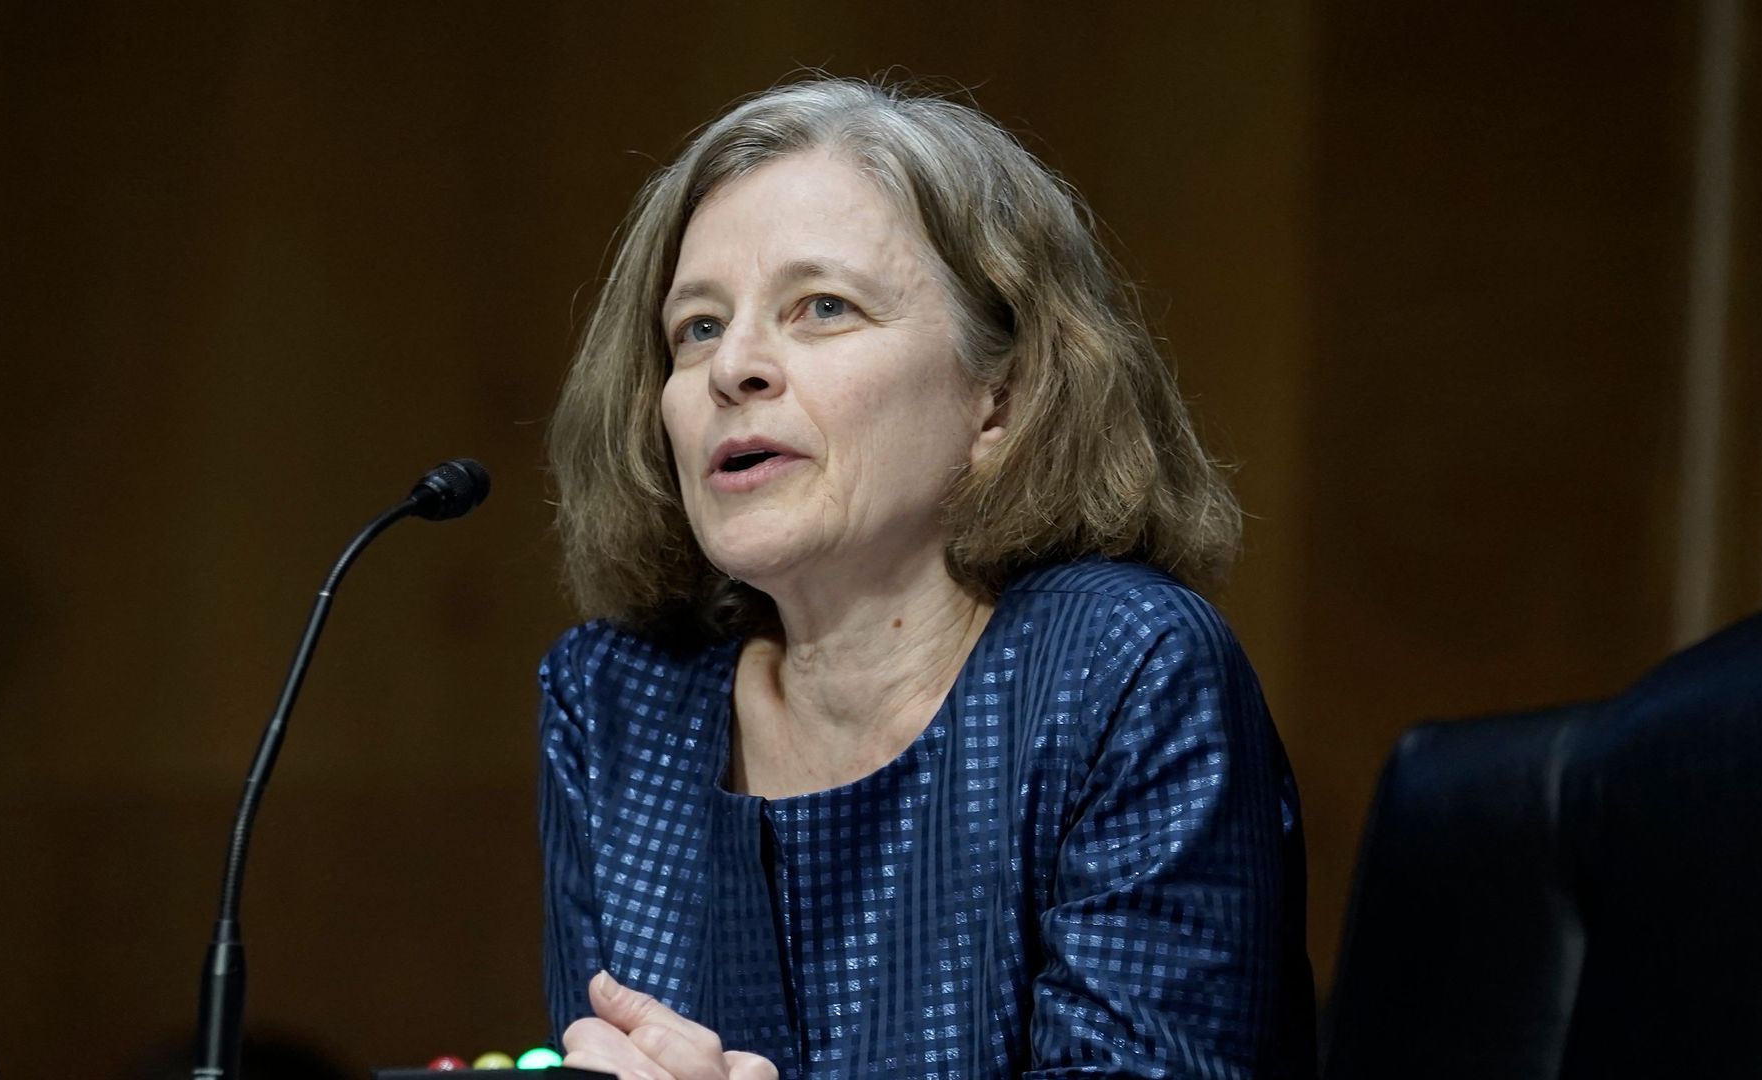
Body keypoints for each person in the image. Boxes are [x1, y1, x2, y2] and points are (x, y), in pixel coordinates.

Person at [539, 77, 1315, 1079]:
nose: (735, 366)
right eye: (696, 328)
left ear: (999, 398)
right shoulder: (614, 700)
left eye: (821, 308)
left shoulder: (1121, 670)